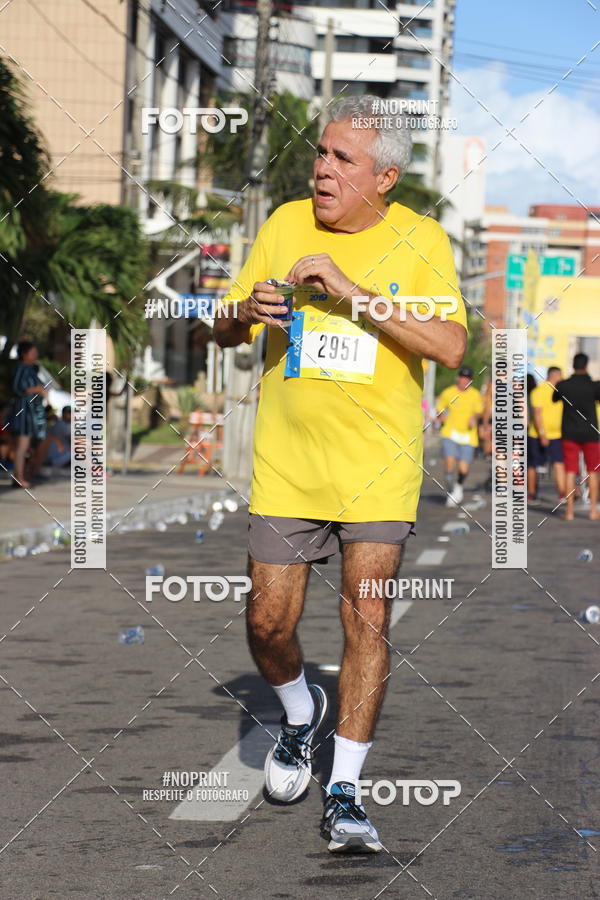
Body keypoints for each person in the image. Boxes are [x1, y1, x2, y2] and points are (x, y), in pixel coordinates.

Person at [214, 95, 467, 853]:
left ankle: (348, 791)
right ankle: (298, 714)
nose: (322, 170)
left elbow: (451, 345)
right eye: (321, 154)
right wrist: (246, 311)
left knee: (368, 620)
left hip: (378, 470)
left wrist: (356, 296)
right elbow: (221, 324)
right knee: (267, 624)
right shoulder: (284, 222)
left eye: (342, 160)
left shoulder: (422, 240)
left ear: (384, 177)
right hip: (288, 465)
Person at [552, 353, 600, 520]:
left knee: (570, 471)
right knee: (593, 471)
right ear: (586, 366)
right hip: (590, 433)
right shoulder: (594, 386)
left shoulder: (564, 385)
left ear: (573, 365)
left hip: (569, 432)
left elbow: (554, 399)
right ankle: (593, 510)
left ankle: (570, 511)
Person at [436, 366, 483, 506]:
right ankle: (450, 491)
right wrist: (441, 416)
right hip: (450, 433)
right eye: (462, 378)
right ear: (458, 378)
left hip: (468, 436)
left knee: (463, 468)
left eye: (467, 379)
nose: (464, 381)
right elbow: (440, 408)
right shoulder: (448, 393)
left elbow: (478, 411)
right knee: (449, 464)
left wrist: (474, 418)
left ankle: (458, 486)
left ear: (470, 381)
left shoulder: (475, 395)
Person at [5, 341, 47, 488]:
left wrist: (40, 390)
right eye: (33, 352)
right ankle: (19, 478)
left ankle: (19, 476)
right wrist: (36, 389)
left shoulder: (30, 369)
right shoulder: (22, 368)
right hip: (23, 412)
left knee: (24, 446)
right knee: (22, 446)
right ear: (24, 354)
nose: (35, 355)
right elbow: (17, 388)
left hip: (30, 413)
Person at [527, 367, 565, 504]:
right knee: (532, 465)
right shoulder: (539, 391)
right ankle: (531, 493)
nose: (562, 379)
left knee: (559, 463)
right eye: (561, 376)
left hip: (557, 434)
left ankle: (562, 493)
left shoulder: (560, 392)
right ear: (554, 376)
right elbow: (537, 414)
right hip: (536, 435)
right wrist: (542, 434)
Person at [32, 405, 72, 474]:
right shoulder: (62, 424)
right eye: (69, 413)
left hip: (53, 455)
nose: (71, 415)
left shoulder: (58, 423)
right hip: (56, 457)